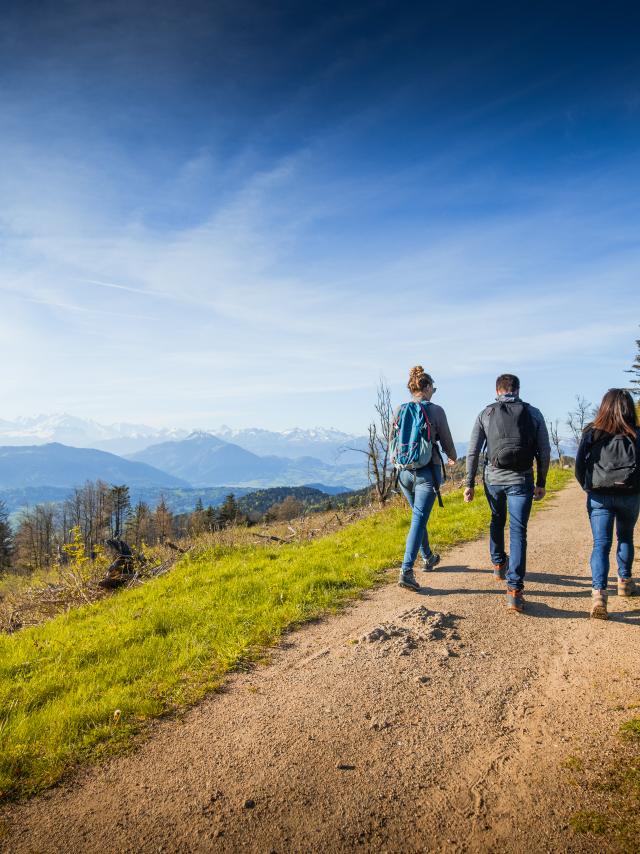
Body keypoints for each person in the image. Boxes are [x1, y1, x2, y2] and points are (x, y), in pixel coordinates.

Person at [464, 374, 550, 613]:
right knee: (518, 531)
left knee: (496, 519)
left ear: (497, 390)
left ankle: (498, 563)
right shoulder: (533, 413)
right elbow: (544, 450)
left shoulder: (486, 413)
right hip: (522, 479)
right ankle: (514, 590)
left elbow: (472, 451)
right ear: (518, 390)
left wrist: (469, 482)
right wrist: (541, 481)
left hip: (493, 478)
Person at [575, 388, 640, 620]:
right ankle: (624, 582)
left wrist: (588, 487)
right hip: (631, 495)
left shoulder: (592, 433)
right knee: (625, 538)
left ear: (604, 407)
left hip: (599, 495)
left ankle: (599, 595)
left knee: (601, 544)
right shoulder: (636, 433)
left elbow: (579, 467)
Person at [392, 366, 457, 592]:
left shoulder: (400, 409)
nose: (434, 392)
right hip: (427, 472)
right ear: (427, 387)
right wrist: (452, 456)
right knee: (418, 519)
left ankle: (427, 556)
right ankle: (406, 571)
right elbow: (447, 439)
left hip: (403, 473)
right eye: (433, 388)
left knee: (418, 518)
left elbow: (391, 437)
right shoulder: (436, 410)